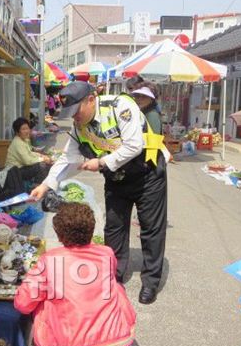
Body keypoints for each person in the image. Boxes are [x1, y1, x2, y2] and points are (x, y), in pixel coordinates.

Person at [30, 81, 169, 304]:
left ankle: (150, 282)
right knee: (114, 228)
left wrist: (101, 162)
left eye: (77, 111)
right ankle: (114, 275)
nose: (74, 117)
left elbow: (134, 145)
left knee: (151, 229)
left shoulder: (120, 107)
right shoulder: (80, 126)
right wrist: (46, 185)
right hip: (116, 178)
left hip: (147, 174)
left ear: (91, 99)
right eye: (70, 113)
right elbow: (68, 159)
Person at [14, 203, 136, 346]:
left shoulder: (49, 260)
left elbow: (23, 304)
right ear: (91, 231)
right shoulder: (106, 253)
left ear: (60, 236)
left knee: (40, 299)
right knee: (116, 288)